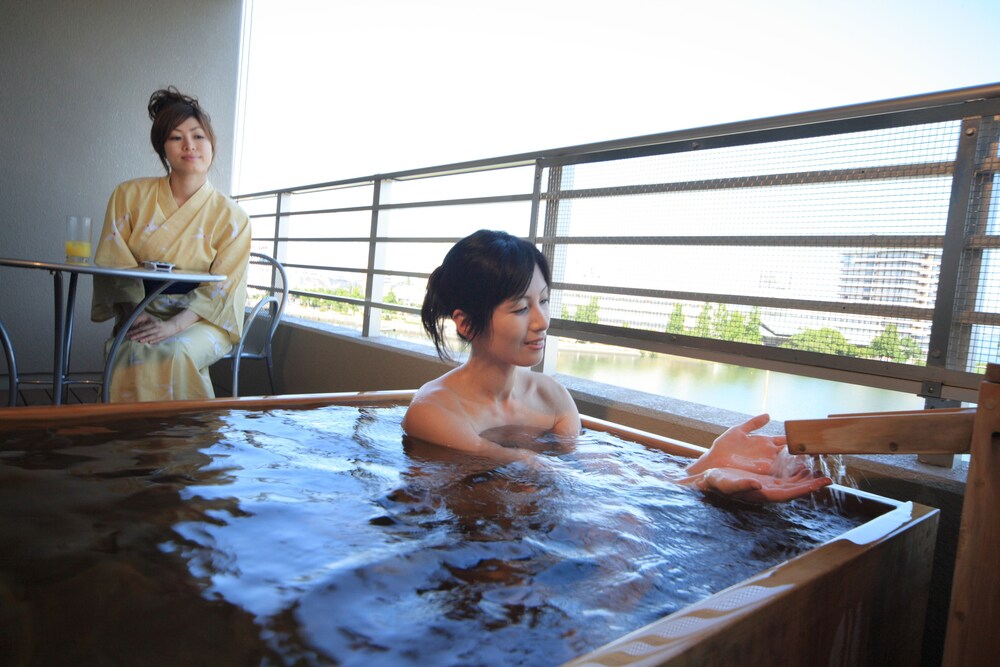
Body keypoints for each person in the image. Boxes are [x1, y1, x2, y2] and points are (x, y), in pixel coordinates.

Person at [402, 229, 832, 503]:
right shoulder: (435, 411)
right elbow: (529, 466)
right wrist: (694, 483)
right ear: (465, 322)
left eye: (544, 301)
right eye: (519, 308)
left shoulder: (551, 396)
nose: (542, 320)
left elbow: (599, 468)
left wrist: (703, 464)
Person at [91, 87, 251, 402]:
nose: (189, 145)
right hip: (140, 312)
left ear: (211, 144)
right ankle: (136, 444)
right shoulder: (129, 195)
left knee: (176, 351)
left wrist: (174, 326)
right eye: (176, 137)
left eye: (198, 136)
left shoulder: (233, 217)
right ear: (163, 148)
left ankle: (184, 446)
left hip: (202, 319)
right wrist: (137, 317)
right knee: (131, 350)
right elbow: (113, 259)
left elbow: (225, 288)